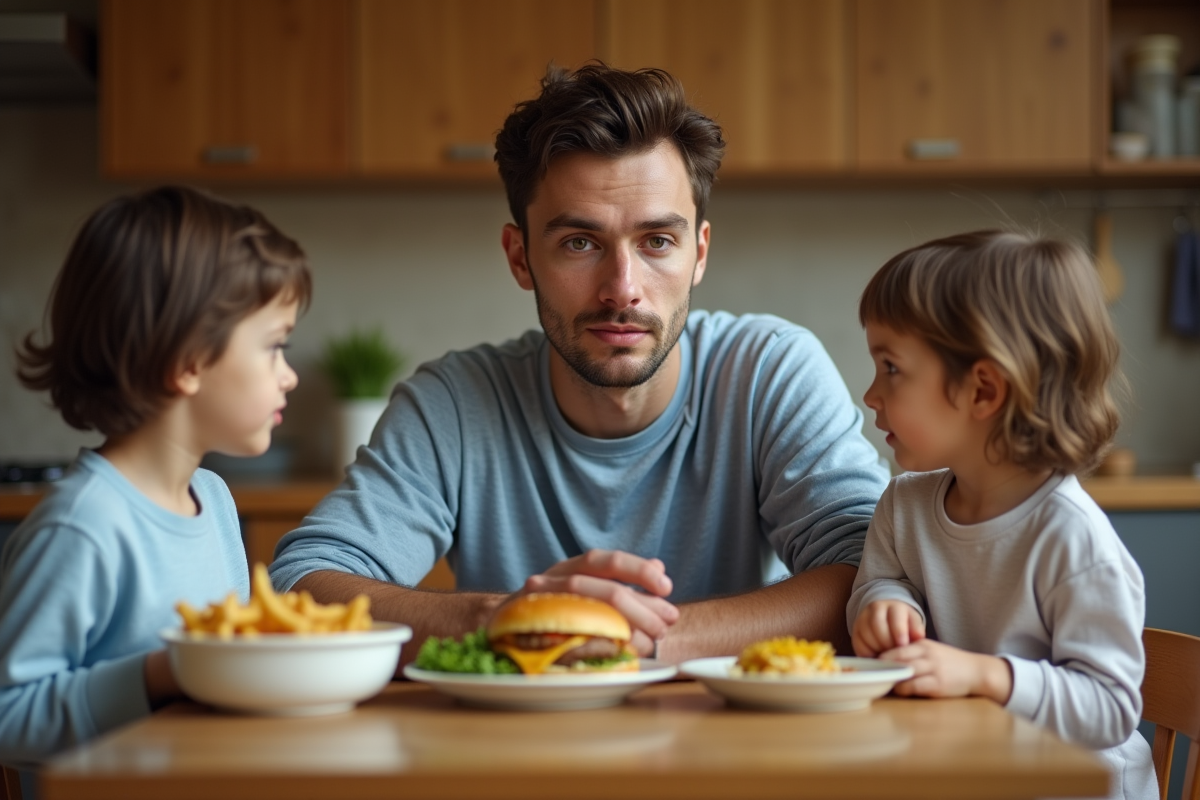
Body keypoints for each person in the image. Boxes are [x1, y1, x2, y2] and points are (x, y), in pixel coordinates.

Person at [271, 64, 888, 663]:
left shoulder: (769, 372)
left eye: (657, 242)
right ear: (520, 257)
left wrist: (643, 642)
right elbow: (302, 583)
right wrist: (494, 622)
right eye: (580, 243)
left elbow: (876, 570)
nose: (623, 288)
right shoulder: (453, 403)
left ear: (698, 254)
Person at [0, 187, 310, 785]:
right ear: (189, 360)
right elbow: (9, 715)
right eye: (274, 346)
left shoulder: (213, 498)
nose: (289, 374)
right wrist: (158, 675)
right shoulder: (84, 526)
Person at [846, 230, 1155, 800]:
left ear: (983, 390)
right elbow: (883, 580)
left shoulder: (1072, 538)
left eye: (890, 367)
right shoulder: (904, 504)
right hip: (973, 772)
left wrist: (983, 675)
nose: (870, 394)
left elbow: (1111, 706)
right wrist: (884, 603)